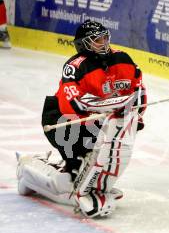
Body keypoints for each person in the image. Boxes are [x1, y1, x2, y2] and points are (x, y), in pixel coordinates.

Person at [16, 20, 147, 218]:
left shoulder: (123, 59)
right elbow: (78, 104)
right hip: (64, 122)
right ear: (84, 43)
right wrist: (116, 106)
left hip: (100, 123)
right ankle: (28, 173)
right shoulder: (74, 66)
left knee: (103, 159)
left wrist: (136, 114)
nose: (103, 42)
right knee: (69, 180)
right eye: (97, 40)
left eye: (105, 38)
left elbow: (139, 91)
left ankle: (87, 183)